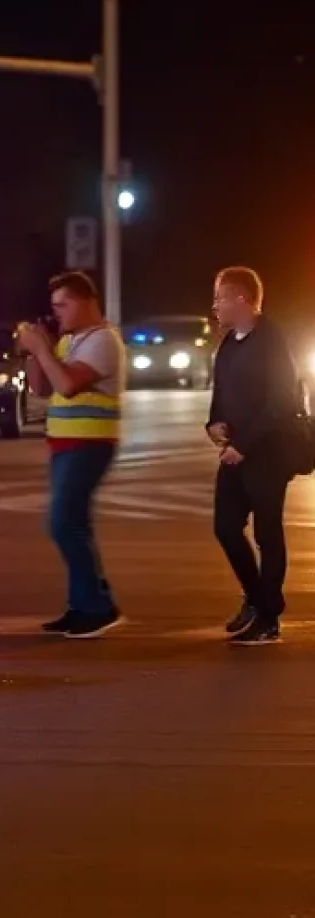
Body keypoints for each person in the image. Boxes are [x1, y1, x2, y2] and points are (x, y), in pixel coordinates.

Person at [17, 271, 126, 639]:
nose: (58, 312)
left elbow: (68, 383)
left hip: (90, 444)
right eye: (54, 307)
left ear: (86, 302)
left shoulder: (102, 341)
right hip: (65, 444)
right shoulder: (70, 340)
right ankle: (85, 603)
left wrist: (44, 349)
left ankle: (95, 607)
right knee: (75, 524)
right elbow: (41, 387)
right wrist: (35, 350)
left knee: (63, 523)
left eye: (63, 305)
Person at [207, 266, 303, 644]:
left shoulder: (271, 338)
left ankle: (268, 618)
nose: (215, 306)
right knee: (226, 527)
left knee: (267, 533)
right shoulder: (229, 340)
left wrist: (243, 446)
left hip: (267, 453)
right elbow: (221, 391)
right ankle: (258, 599)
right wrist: (213, 423)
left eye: (220, 298)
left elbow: (283, 401)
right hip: (234, 452)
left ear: (242, 300)